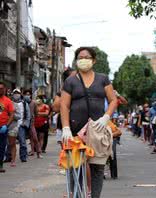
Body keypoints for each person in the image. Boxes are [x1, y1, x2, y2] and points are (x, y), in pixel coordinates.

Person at [61, 47, 117, 198]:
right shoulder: (70, 81)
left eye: (86, 57)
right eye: (80, 57)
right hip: (75, 130)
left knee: (97, 168)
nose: (83, 60)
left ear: (93, 60)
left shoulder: (102, 78)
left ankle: (95, 196)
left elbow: (113, 100)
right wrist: (65, 127)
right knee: (76, 168)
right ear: (76, 60)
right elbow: (64, 105)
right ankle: (78, 195)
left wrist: (106, 117)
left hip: (97, 130)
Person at [7, 89, 30, 166]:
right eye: (15, 93)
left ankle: (23, 156)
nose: (16, 94)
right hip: (11, 125)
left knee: (22, 142)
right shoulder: (10, 103)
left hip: (21, 125)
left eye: (18, 93)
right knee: (10, 143)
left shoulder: (24, 104)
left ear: (20, 94)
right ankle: (8, 157)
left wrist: (25, 124)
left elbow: (28, 115)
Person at [23, 90, 42, 158]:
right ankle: (29, 152)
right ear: (23, 95)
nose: (27, 96)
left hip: (31, 123)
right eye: (26, 94)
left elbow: (36, 113)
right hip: (23, 123)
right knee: (23, 139)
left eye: (28, 94)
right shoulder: (22, 102)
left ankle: (38, 152)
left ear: (30, 95)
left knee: (34, 138)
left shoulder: (33, 103)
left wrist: (33, 118)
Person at [0, 82, 14, 172]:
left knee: (1, 147)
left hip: (2, 128)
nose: (0, 90)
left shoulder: (8, 101)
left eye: (1, 88)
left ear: (5, 89)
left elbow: (12, 114)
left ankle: (0, 165)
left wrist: (6, 125)